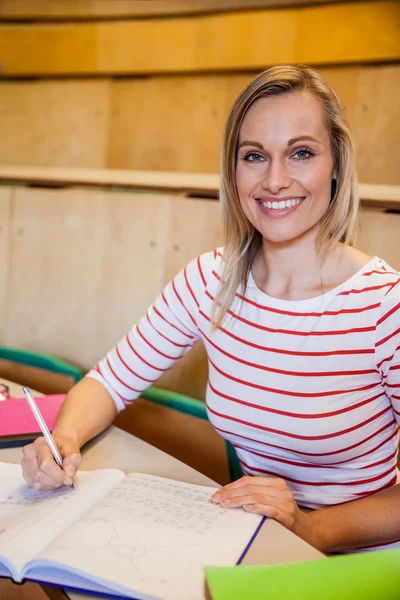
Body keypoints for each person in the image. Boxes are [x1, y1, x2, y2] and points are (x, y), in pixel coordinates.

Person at [21, 65, 400, 554]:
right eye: (254, 156)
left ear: (336, 165)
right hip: (255, 543)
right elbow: (108, 382)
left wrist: (313, 529)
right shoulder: (209, 280)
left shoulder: (384, 307)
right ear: (233, 170)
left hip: (358, 562)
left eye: (301, 152)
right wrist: (62, 441)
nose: (275, 180)